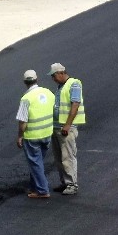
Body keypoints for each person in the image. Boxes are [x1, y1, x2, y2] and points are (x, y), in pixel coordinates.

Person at [16, 70, 56, 198]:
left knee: (35, 163)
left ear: (24, 82)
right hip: (47, 133)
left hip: (32, 136)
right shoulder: (48, 92)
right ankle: (34, 187)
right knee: (38, 162)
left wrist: (20, 136)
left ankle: (42, 190)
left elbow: (23, 121)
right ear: (36, 79)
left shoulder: (26, 98)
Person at [49, 62, 86, 195]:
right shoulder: (60, 86)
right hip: (57, 127)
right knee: (59, 158)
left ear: (61, 73)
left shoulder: (74, 84)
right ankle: (64, 182)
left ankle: (72, 184)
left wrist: (68, 124)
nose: (53, 79)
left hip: (66, 128)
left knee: (68, 157)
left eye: (54, 76)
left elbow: (75, 104)